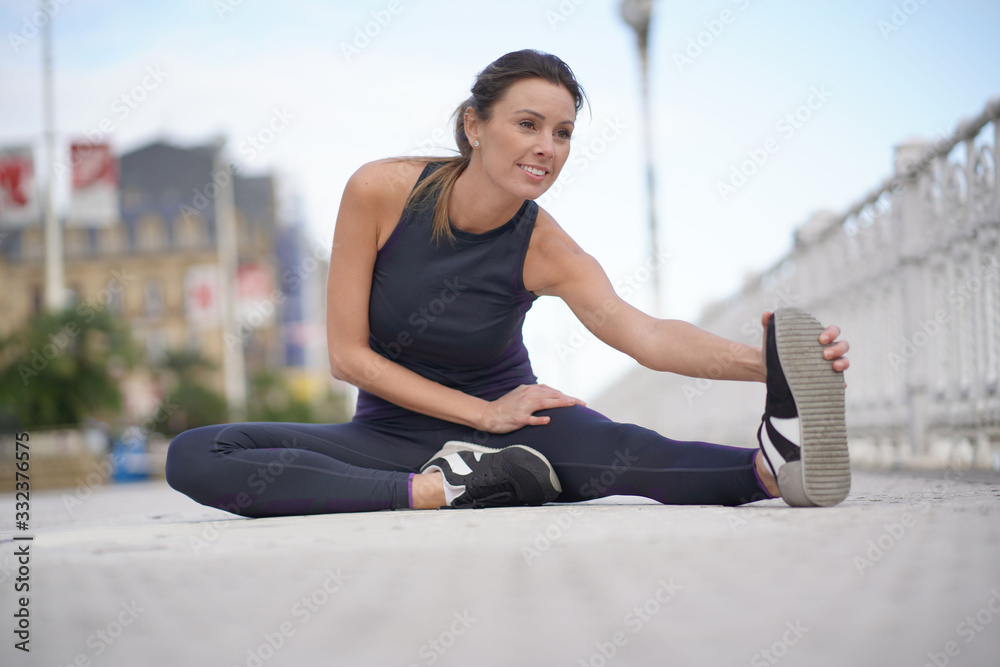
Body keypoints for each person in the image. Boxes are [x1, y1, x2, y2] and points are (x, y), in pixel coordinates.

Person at [165, 49, 852, 517]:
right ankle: (435, 492)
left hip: (515, 434)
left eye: (562, 132)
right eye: (528, 124)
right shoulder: (380, 192)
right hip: (390, 434)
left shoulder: (546, 246)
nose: (546, 147)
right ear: (475, 125)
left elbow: (642, 334)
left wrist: (771, 364)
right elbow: (348, 356)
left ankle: (773, 464)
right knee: (197, 453)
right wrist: (474, 420)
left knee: (629, 451)